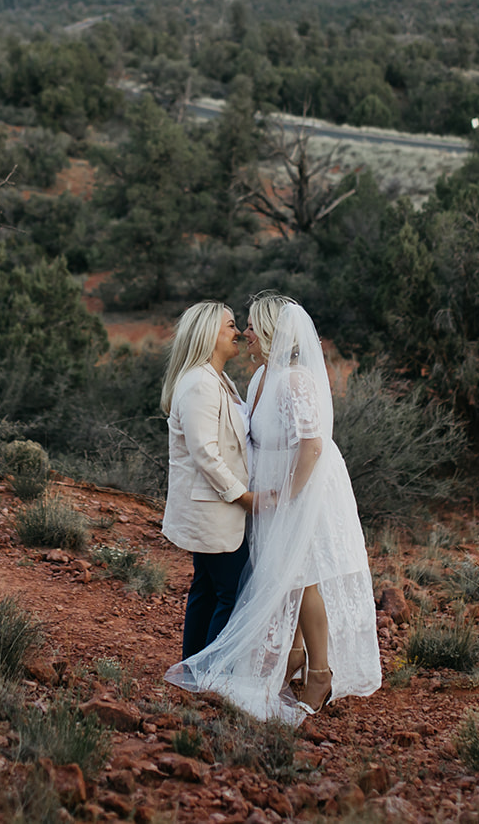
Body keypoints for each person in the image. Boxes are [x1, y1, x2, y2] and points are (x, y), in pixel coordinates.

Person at [165, 294, 381, 722]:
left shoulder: (295, 380)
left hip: (300, 490)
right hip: (267, 493)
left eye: (248, 325)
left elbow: (313, 445)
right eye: (236, 325)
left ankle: (319, 672)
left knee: (303, 577)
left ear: (269, 331)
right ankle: (292, 657)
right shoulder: (261, 375)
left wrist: (288, 496)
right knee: (283, 575)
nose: (244, 332)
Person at [160, 301, 254, 661]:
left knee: (207, 588)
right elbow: (205, 453)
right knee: (231, 592)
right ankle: (211, 672)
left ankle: (192, 667)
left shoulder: (218, 379)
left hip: (215, 506)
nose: (239, 332)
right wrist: (244, 496)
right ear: (208, 335)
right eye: (230, 326)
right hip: (215, 507)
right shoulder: (200, 383)